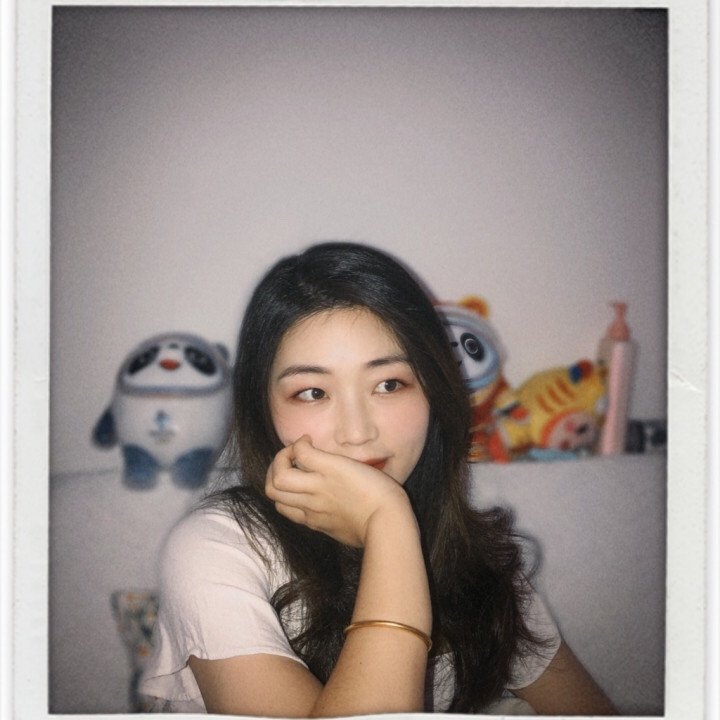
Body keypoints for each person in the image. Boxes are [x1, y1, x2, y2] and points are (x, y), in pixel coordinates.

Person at [139, 241, 616, 716]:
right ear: (264, 411)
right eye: (312, 392)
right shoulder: (213, 550)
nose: (357, 432)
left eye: (389, 384)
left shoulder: (473, 556)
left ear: (434, 390)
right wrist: (388, 523)